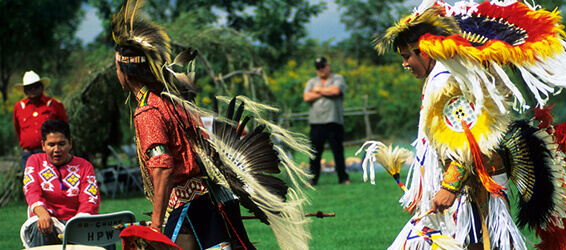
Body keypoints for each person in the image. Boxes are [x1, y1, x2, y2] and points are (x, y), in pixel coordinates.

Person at [364, 1, 566, 249]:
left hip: (478, 181)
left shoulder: (447, 79)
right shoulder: (443, 76)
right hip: (475, 182)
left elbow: (468, 138)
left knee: (484, 242)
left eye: (406, 56)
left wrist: (449, 187)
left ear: (423, 50)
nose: (404, 64)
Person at [112, 1, 312, 249]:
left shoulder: (148, 111)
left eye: (117, 68)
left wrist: (155, 224)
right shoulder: (169, 100)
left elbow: (162, 166)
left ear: (125, 72)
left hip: (186, 205)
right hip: (207, 197)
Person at [21, 120, 100, 248]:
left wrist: (76, 224)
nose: (57, 150)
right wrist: (42, 214)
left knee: (105, 231)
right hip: (46, 219)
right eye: (51, 144)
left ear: (70, 143)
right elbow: (31, 191)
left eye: (62, 144)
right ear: (43, 145)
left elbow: (90, 200)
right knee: (41, 227)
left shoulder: (85, 166)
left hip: (78, 223)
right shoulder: (34, 161)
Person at [303, 56, 350, 185]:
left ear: (327, 66)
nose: (320, 69)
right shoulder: (312, 81)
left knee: (338, 151)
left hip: (333, 121)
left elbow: (335, 90)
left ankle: (343, 177)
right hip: (316, 122)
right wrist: (324, 92)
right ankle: (313, 179)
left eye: (322, 66)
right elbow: (307, 96)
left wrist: (318, 91)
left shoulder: (337, 78)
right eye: (318, 68)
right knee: (314, 153)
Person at [13, 70, 68, 170]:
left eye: (36, 86)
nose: (33, 89)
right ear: (25, 91)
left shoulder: (53, 104)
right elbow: (17, 129)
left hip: (50, 153)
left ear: (42, 87)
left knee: (53, 183)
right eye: (29, 88)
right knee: (31, 184)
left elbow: (64, 127)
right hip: (28, 154)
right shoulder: (19, 107)